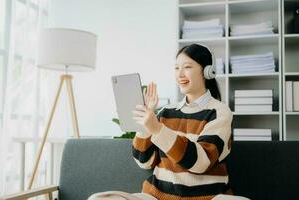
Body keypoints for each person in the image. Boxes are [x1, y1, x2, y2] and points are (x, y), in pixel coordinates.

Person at [88, 44, 250, 200]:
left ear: (207, 71)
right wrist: (145, 126)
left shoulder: (219, 112)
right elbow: (144, 161)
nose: (180, 74)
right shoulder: (166, 112)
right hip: (156, 197)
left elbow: (201, 162)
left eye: (187, 67)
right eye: (176, 68)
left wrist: (158, 130)